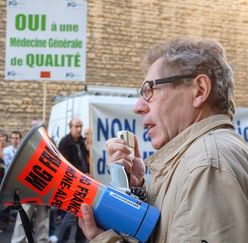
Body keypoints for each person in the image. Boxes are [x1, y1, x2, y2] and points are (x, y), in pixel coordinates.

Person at [79, 37, 248, 242]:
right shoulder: (202, 158)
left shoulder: (206, 164)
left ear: (200, 90)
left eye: (149, 91)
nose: (137, 107)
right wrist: (138, 191)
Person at [56, 117, 88, 243]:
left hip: (84, 181)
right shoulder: (65, 142)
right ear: (70, 127)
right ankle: (62, 240)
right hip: (72, 182)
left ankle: (79, 240)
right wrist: (82, 172)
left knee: (81, 214)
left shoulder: (82, 141)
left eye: (80, 126)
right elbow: (66, 165)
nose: (79, 129)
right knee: (72, 214)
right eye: (76, 126)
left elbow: (86, 158)